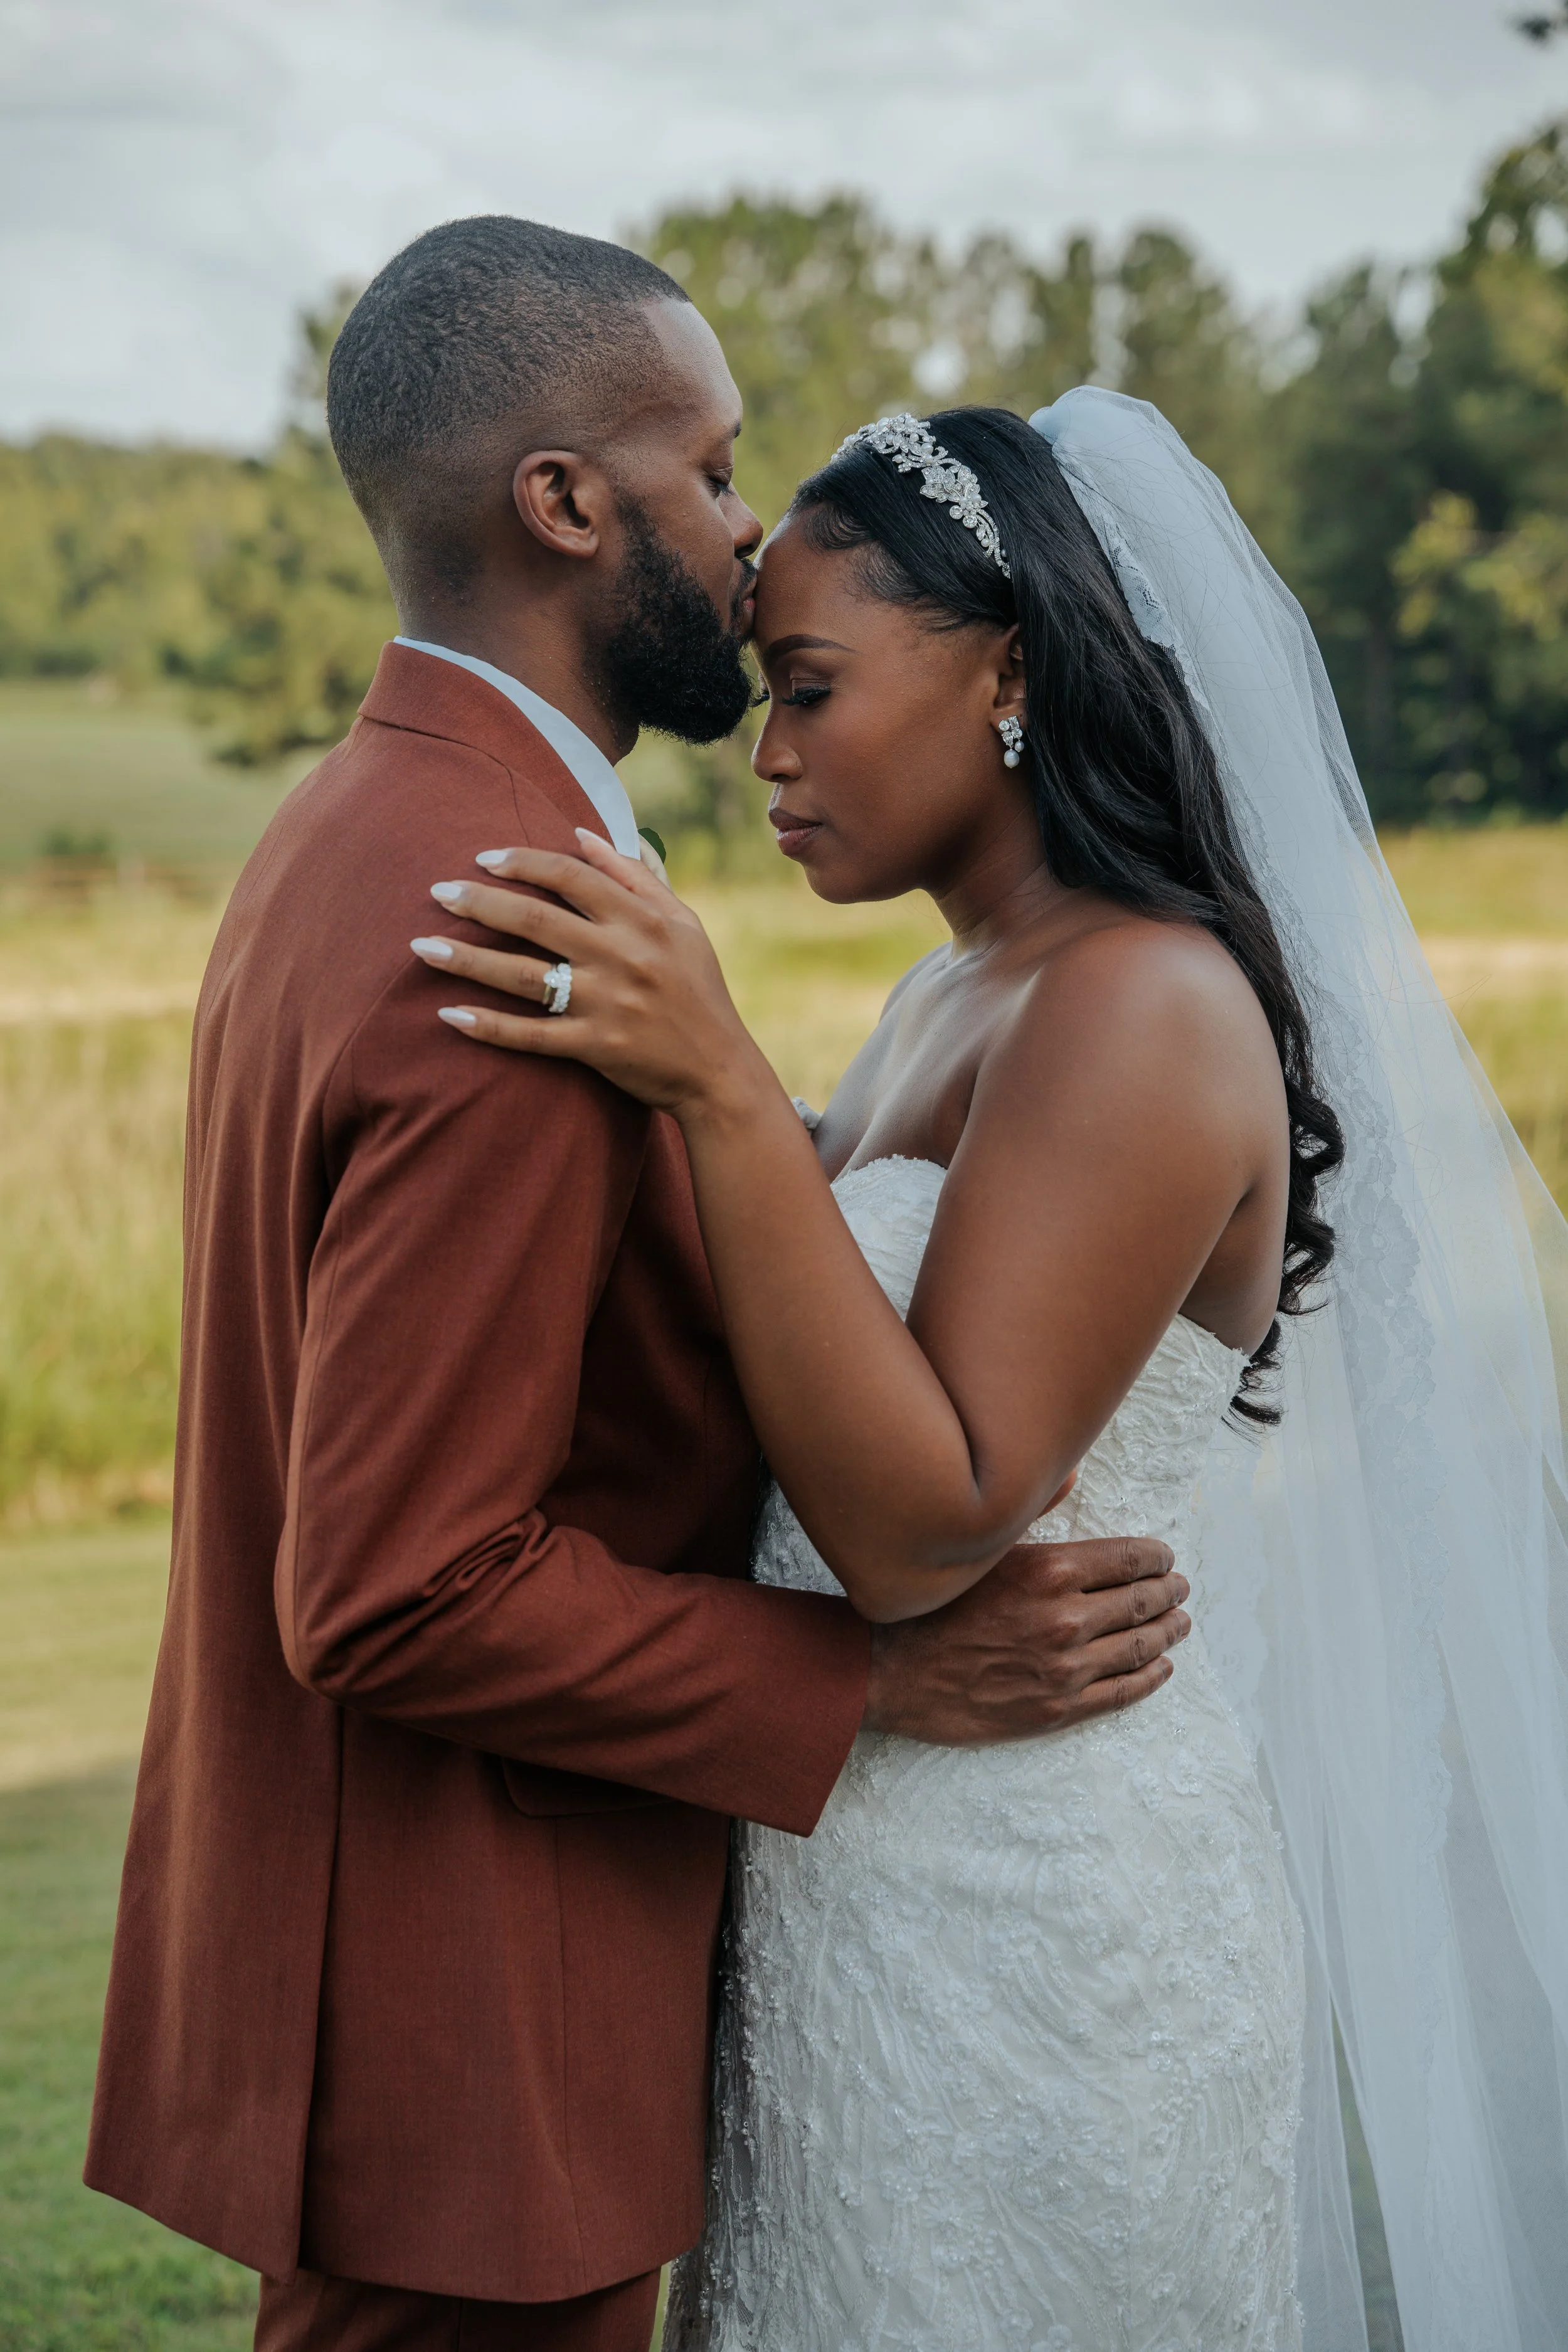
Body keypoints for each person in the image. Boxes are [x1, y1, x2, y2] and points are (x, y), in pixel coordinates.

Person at [83, 225, 1190, 2352]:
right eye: (712, 464)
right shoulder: (497, 915)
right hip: (467, 2009)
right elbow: (399, 1576)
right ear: (567, 504)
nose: (749, 521)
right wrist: (859, 1686)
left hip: (421, 1967)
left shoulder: (370, 827)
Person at [417, 393, 1568, 2352]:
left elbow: (924, 1524)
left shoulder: (1134, 998)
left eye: (806, 688)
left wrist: (707, 1081)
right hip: (867, 1876)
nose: (764, 756)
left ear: (1009, 672)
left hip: (1043, 1913)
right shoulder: (956, 983)